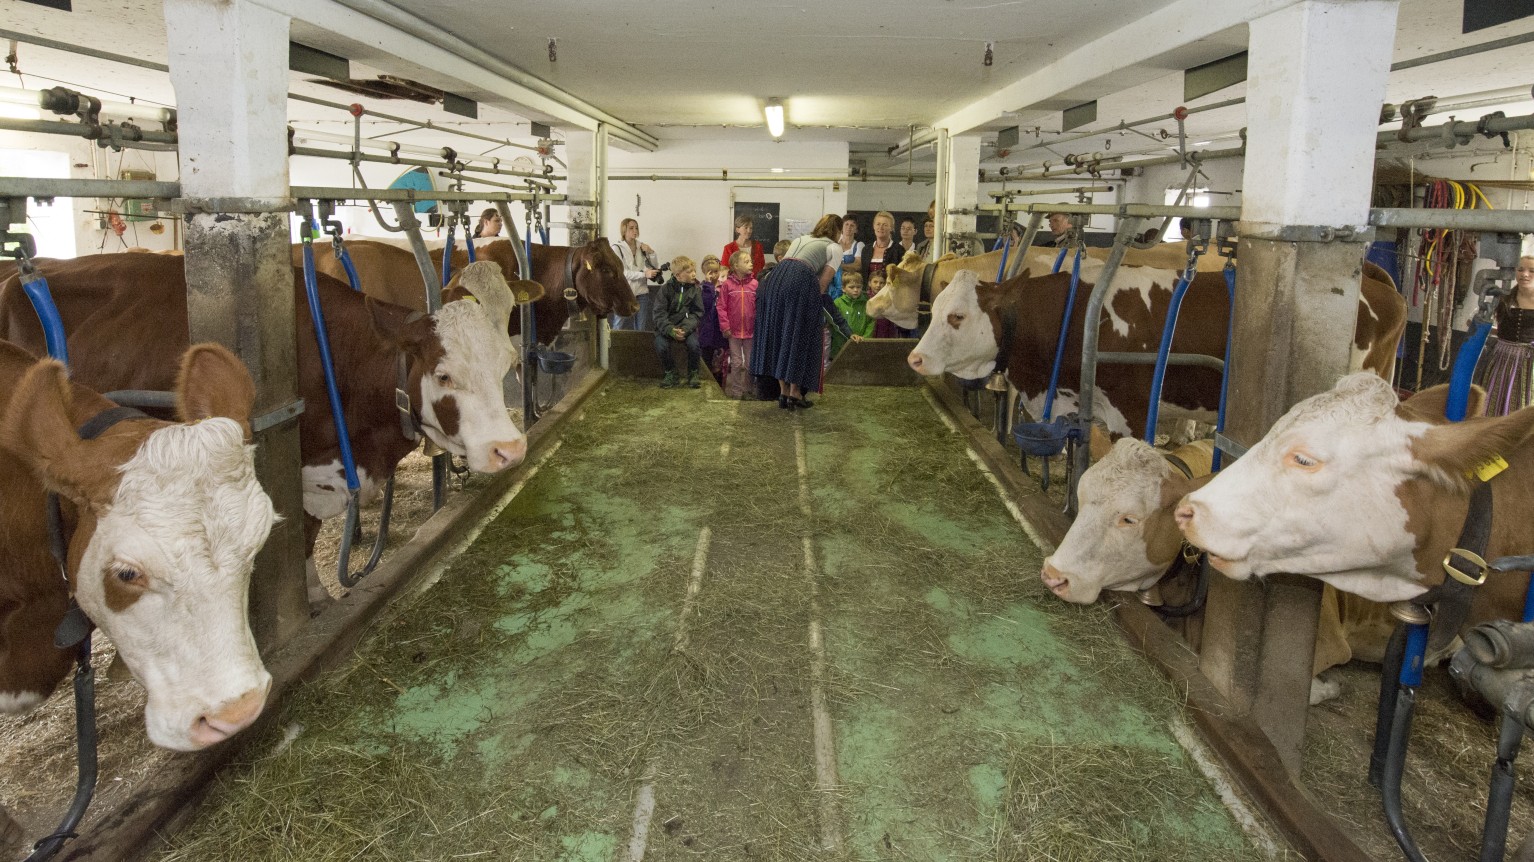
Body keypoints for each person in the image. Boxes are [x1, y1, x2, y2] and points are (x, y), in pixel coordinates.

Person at [751, 214, 861, 409]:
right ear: (837, 231)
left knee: (780, 334)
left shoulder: (801, 239)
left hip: (774, 281)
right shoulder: (834, 247)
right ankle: (795, 392)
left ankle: (783, 393)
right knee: (799, 337)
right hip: (798, 281)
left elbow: (790, 265)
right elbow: (822, 284)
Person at [1474, 255, 1534, 416]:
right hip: (1501, 356)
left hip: (1528, 361)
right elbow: (1493, 325)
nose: (1525, 274)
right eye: (1520, 269)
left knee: (1524, 402)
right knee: (1493, 399)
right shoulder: (1504, 299)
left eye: (1532, 271)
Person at [652, 255, 704, 388]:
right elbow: (659, 313)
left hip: (685, 326)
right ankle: (670, 373)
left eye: (694, 271)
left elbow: (697, 313)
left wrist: (685, 329)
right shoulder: (665, 289)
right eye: (689, 272)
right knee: (661, 345)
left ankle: (693, 373)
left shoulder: (695, 289)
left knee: (694, 345)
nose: (693, 274)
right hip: (666, 327)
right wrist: (669, 329)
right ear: (678, 275)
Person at [717, 250, 759, 398]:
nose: (751, 264)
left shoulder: (755, 284)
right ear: (735, 265)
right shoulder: (727, 285)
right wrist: (725, 326)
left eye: (750, 261)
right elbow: (721, 307)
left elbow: (759, 306)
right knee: (736, 363)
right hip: (733, 331)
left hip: (750, 331)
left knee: (749, 363)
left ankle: (747, 390)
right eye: (746, 262)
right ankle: (736, 391)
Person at [612, 218, 659, 330]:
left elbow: (654, 266)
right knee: (618, 325)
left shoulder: (642, 246)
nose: (635, 231)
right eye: (631, 228)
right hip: (624, 292)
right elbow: (622, 272)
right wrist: (644, 274)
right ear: (624, 230)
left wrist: (651, 252)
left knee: (640, 328)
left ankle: (638, 348)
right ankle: (612, 347)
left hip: (642, 293)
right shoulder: (616, 248)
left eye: (636, 228)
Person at [698, 256, 729, 383]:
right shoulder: (702, 288)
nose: (714, 275)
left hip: (720, 331)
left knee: (720, 363)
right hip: (706, 331)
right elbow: (705, 304)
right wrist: (709, 285)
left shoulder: (724, 287)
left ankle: (719, 388)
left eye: (716, 271)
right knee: (706, 361)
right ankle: (706, 386)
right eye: (710, 272)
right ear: (705, 273)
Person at [832, 272, 873, 357]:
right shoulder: (837, 303)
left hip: (861, 345)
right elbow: (835, 325)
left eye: (858, 287)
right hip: (840, 347)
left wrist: (865, 338)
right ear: (843, 288)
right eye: (851, 287)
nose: (855, 290)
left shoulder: (867, 304)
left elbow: (871, 322)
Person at [858, 210, 905, 282]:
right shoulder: (866, 250)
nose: (881, 227)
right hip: (868, 292)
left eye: (885, 225)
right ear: (873, 226)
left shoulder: (899, 250)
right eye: (878, 224)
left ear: (891, 228)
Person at [867, 270, 903, 339]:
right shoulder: (865, 299)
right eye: (875, 282)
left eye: (881, 283)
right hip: (869, 333)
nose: (878, 285)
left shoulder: (890, 299)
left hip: (885, 332)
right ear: (869, 283)